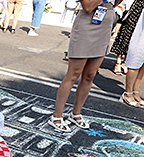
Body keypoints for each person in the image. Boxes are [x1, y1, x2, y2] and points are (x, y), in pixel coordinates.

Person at [48, 0, 123, 132]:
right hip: (87, 20)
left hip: (106, 19)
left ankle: (76, 113)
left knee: (90, 75)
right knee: (74, 74)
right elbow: (87, 7)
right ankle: (57, 116)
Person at [119, 2, 144, 107]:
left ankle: (135, 91)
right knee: (136, 58)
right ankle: (127, 93)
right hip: (140, 24)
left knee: (142, 64)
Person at [110, 0, 136, 75]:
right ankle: (118, 63)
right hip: (129, 11)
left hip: (139, 15)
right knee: (124, 36)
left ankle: (125, 63)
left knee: (132, 40)